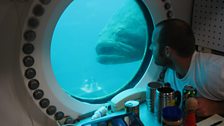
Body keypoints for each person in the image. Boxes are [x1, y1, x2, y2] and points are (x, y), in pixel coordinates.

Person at [149, 18, 224, 117]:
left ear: (167, 51)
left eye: (154, 44)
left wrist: (216, 107)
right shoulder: (168, 74)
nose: (150, 47)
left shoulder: (214, 70)